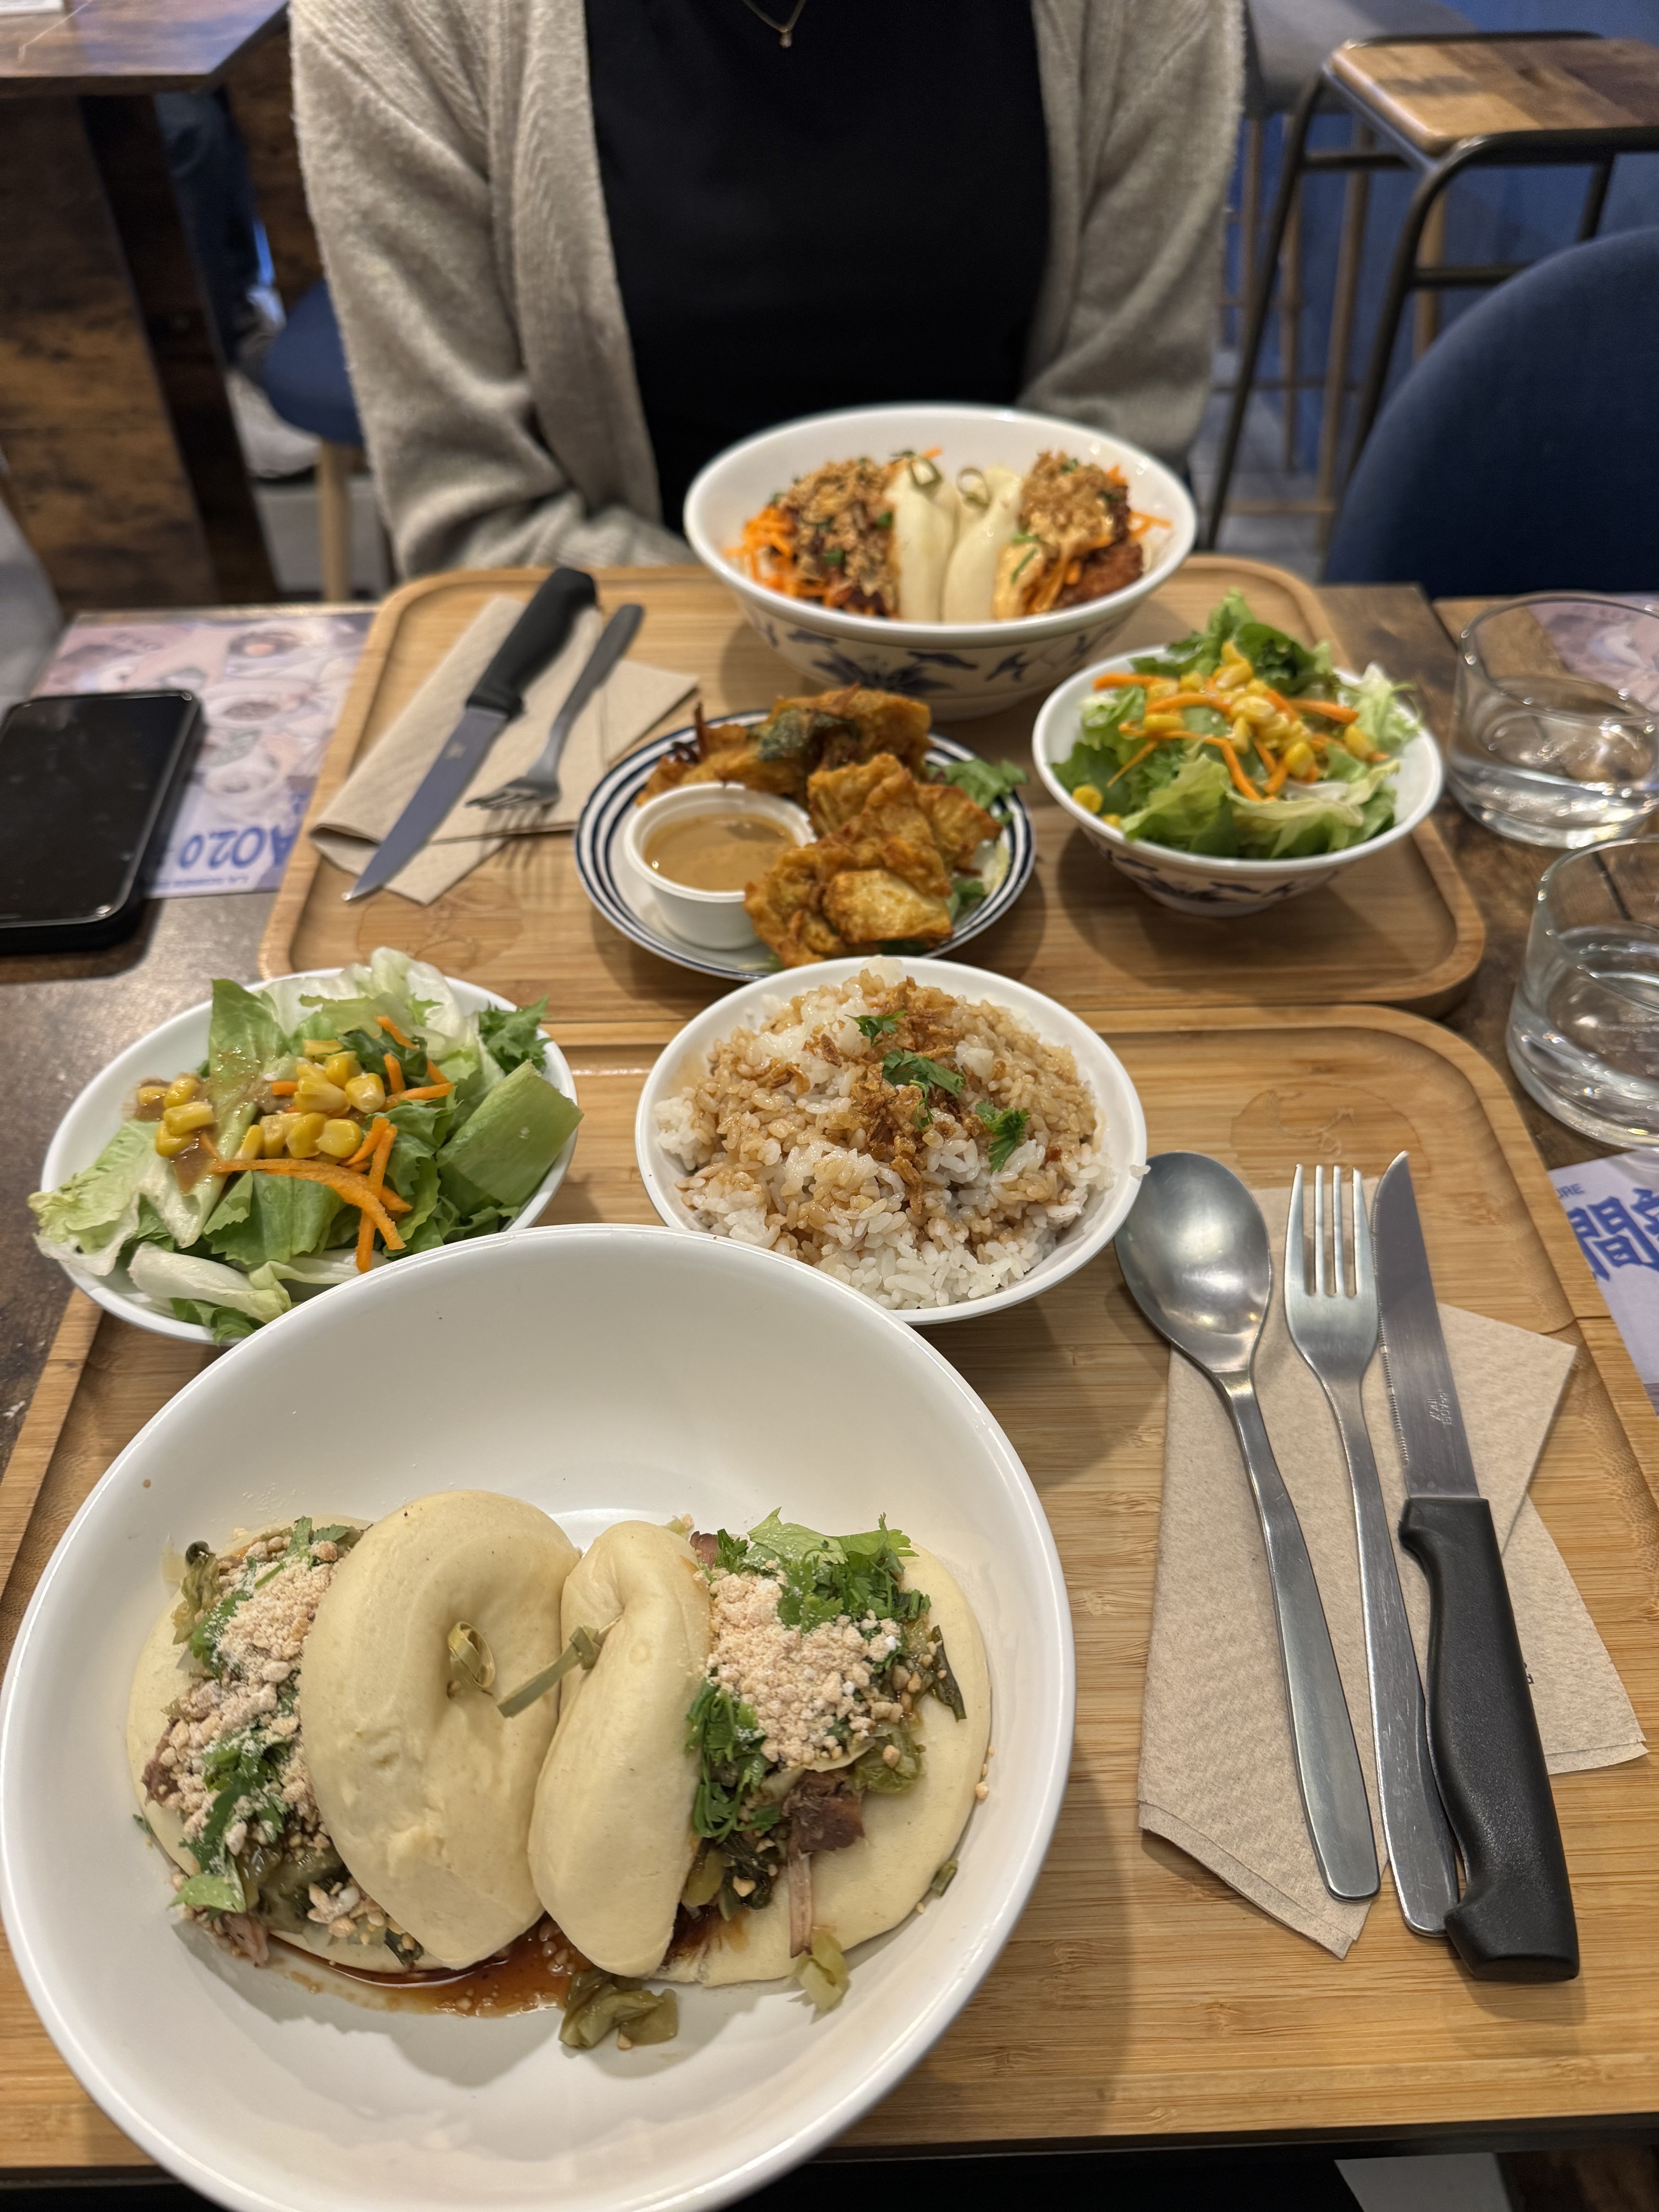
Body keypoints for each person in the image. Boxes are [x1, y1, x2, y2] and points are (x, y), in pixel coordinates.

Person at [292, 0, 1241, 579]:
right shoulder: (403, 19)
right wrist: (810, 630)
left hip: (1037, 641)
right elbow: (477, 524)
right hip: (621, 643)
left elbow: (1116, 434)